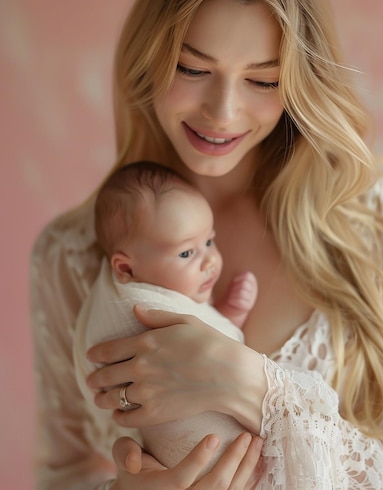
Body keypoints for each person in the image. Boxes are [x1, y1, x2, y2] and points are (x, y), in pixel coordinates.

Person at [30, 0, 383, 490]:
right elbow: (62, 475)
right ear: (150, 57)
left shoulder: (379, 220)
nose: (222, 113)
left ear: (299, 82)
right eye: (193, 68)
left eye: (263, 80)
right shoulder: (72, 256)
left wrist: (252, 386)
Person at [74, 160, 258, 477]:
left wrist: (228, 312)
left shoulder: (156, 285)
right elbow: (221, 347)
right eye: (187, 253)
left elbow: (213, 357)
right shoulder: (138, 309)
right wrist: (233, 318)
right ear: (125, 269)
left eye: (209, 241)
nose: (210, 260)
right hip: (199, 463)